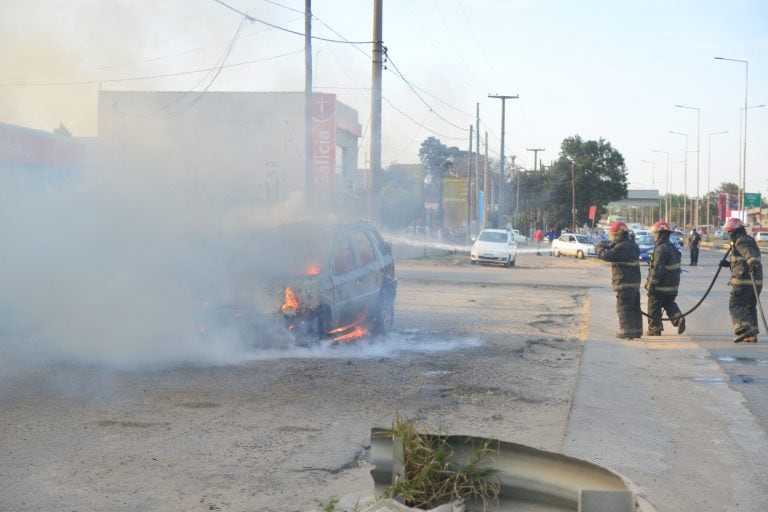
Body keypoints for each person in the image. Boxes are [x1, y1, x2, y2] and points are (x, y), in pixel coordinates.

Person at [596, 221, 643, 339]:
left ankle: (627, 331)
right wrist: (610, 244)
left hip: (624, 282)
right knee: (634, 308)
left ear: (619, 235)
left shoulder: (622, 247)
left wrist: (599, 248)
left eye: (615, 236)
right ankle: (637, 331)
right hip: (634, 282)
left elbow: (608, 255)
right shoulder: (633, 245)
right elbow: (617, 250)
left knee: (624, 308)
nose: (614, 238)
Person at [720, 218, 763, 343]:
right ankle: (752, 334)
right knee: (750, 307)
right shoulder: (748, 239)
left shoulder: (740, 240)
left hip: (744, 281)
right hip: (756, 281)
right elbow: (742, 259)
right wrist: (728, 264)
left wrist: (752, 260)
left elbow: (748, 254)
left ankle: (743, 330)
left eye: (730, 232)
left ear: (735, 231)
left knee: (736, 304)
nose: (729, 235)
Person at [645, 220, 685, 336]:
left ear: (660, 234)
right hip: (673, 285)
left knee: (653, 304)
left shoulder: (660, 249)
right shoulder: (673, 248)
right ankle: (678, 318)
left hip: (661, 285)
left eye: (655, 234)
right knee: (669, 303)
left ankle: (654, 328)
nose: (654, 237)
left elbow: (657, 268)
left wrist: (651, 283)